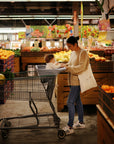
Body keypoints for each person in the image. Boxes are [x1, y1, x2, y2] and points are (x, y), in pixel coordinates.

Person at [63, 36, 89, 135]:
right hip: (71, 81)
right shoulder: (73, 52)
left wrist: (68, 68)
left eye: (70, 46)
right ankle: (81, 122)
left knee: (70, 102)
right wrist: (63, 65)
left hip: (77, 82)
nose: (69, 48)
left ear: (75, 44)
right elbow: (70, 64)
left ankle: (70, 126)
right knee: (78, 101)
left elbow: (81, 67)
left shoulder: (83, 53)